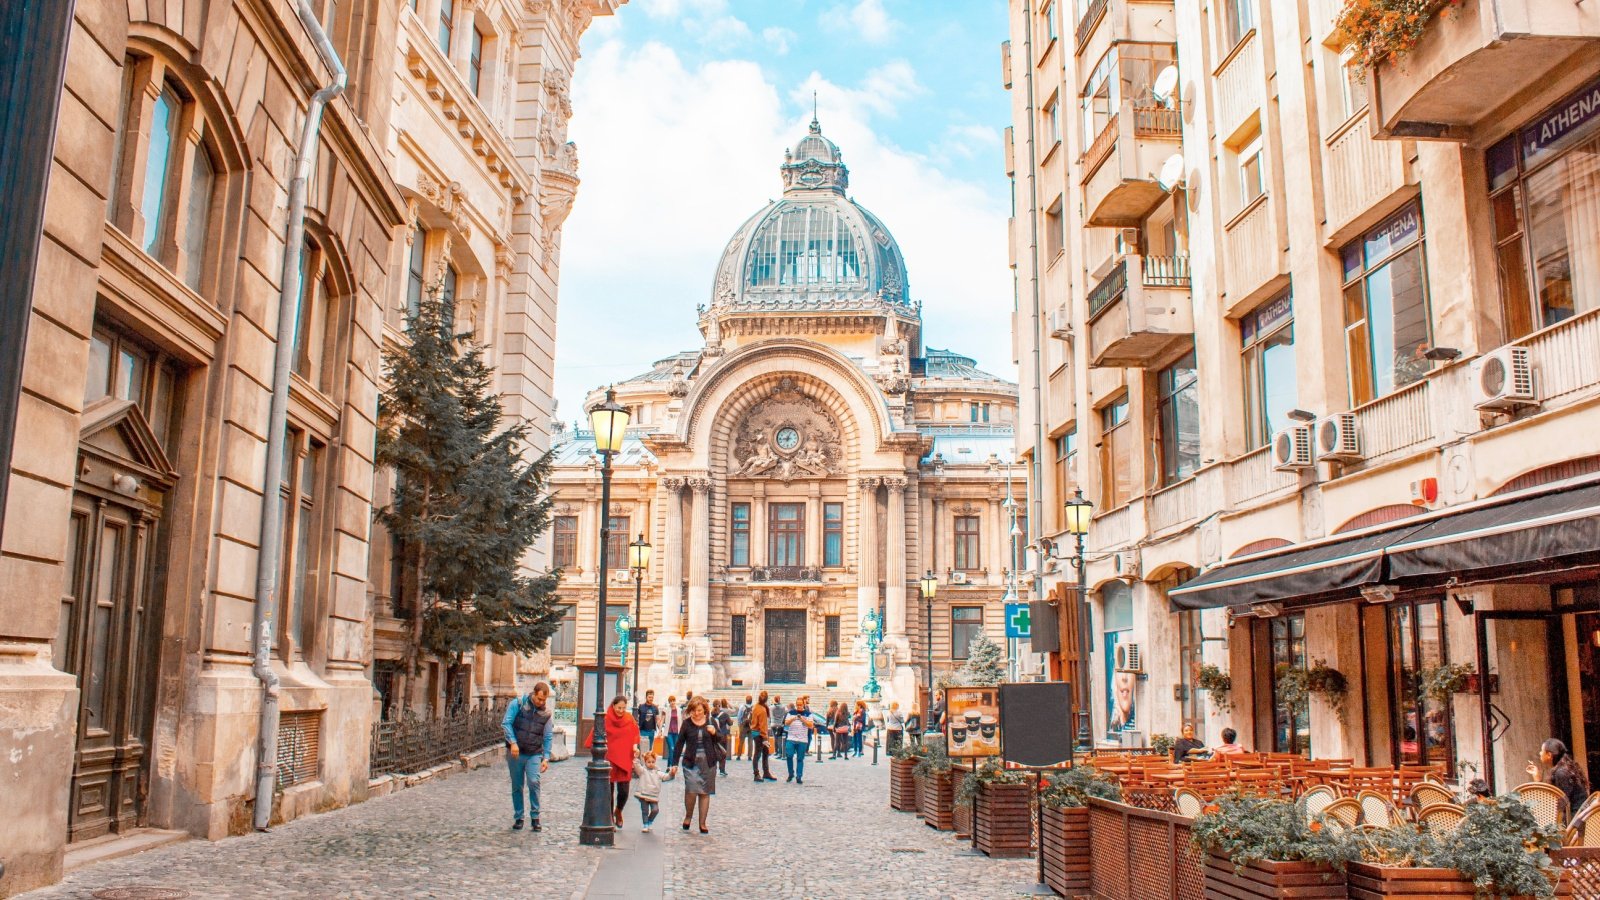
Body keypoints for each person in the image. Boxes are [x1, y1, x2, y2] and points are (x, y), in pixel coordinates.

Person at [500, 682, 554, 831]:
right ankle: (519, 817)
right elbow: (506, 723)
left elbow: (548, 736)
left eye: (544, 700)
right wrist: (513, 742)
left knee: (534, 781)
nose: (541, 703)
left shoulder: (547, 714)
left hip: (534, 753)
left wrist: (546, 757)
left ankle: (535, 817)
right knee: (517, 785)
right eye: (539, 699)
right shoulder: (518, 704)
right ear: (533, 694)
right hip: (516, 753)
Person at [667, 696, 725, 834]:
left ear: (704, 710)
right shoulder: (687, 723)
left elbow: (721, 739)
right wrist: (674, 763)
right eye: (694, 711)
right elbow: (680, 743)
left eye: (699, 710)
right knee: (691, 790)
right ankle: (688, 816)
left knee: (705, 792)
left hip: (708, 761)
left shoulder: (711, 722)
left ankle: (702, 823)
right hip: (691, 761)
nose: (697, 713)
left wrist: (714, 732)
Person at [584, 695, 640, 828]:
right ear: (613, 706)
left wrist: (635, 747)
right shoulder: (605, 718)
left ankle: (618, 810)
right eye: (619, 707)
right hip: (609, 758)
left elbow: (635, 733)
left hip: (624, 758)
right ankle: (609, 817)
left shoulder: (629, 718)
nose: (621, 710)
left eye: (623, 708)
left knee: (624, 791)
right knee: (608, 791)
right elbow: (595, 734)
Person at [1527, 737, 1591, 815]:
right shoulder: (1565, 768)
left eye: (1542, 751)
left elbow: (1560, 804)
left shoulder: (1562, 773)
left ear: (1549, 755)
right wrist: (1538, 779)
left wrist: (1538, 781)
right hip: (1578, 817)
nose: (1540, 753)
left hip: (1575, 821)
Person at [784, 696, 816, 784]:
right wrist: (794, 718)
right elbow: (786, 723)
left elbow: (811, 725)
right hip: (791, 738)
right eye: (797, 705)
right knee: (789, 756)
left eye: (800, 705)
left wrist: (802, 719)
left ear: (804, 704)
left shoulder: (808, 714)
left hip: (802, 740)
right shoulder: (791, 713)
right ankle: (791, 773)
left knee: (800, 759)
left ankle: (799, 776)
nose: (799, 706)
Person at [633, 748, 663, 833]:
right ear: (645, 762)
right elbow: (637, 766)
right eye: (649, 762)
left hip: (653, 795)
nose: (651, 764)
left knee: (655, 810)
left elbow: (665, 776)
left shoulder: (657, 772)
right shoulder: (642, 771)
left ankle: (650, 821)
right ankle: (645, 824)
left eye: (653, 762)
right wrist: (636, 758)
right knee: (645, 810)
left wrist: (672, 773)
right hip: (644, 794)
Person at [749, 690, 775, 781]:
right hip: (760, 734)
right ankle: (757, 774)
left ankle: (766, 772)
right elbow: (763, 725)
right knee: (758, 754)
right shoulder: (763, 710)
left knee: (764, 752)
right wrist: (765, 738)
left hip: (755, 732)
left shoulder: (756, 706)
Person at [635, 690, 660, 757]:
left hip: (651, 731)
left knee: (649, 749)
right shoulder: (641, 706)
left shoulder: (655, 707)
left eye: (652, 697)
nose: (651, 699)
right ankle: (642, 764)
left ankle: (647, 766)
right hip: (642, 730)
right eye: (649, 697)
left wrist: (660, 731)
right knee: (642, 749)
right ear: (646, 697)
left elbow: (657, 719)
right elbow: (636, 718)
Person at [713, 699, 733, 775]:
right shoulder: (724, 714)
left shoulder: (711, 714)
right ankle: (722, 770)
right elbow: (730, 723)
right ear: (720, 705)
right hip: (722, 735)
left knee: (714, 752)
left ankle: (713, 768)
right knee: (723, 752)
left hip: (714, 735)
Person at [735, 694, 754, 761]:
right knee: (750, 741)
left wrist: (739, 724)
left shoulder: (742, 707)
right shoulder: (754, 707)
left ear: (746, 701)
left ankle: (739, 755)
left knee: (741, 741)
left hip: (743, 725)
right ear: (751, 701)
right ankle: (749, 756)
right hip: (751, 726)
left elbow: (739, 716)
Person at [665, 695, 681, 766]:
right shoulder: (666, 710)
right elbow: (662, 720)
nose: (672, 702)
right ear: (669, 702)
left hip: (677, 732)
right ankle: (669, 767)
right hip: (669, 733)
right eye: (670, 701)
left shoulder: (679, 710)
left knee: (675, 751)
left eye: (673, 701)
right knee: (671, 749)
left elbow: (682, 721)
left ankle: (672, 766)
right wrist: (659, 731)